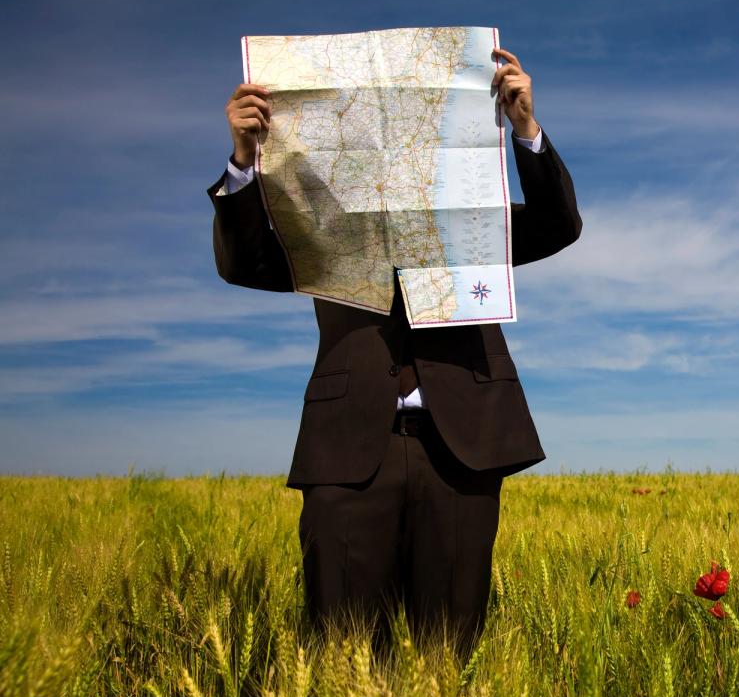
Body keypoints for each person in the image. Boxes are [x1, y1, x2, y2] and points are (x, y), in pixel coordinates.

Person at [207, 46, 582, 659]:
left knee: (450, 650)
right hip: (349, 450)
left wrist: (525, 129)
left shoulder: (472, 223)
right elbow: (244, 262)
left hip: (462, 447)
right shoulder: (321, 229)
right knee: (344, 651)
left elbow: (558, 225)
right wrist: (245, 160)